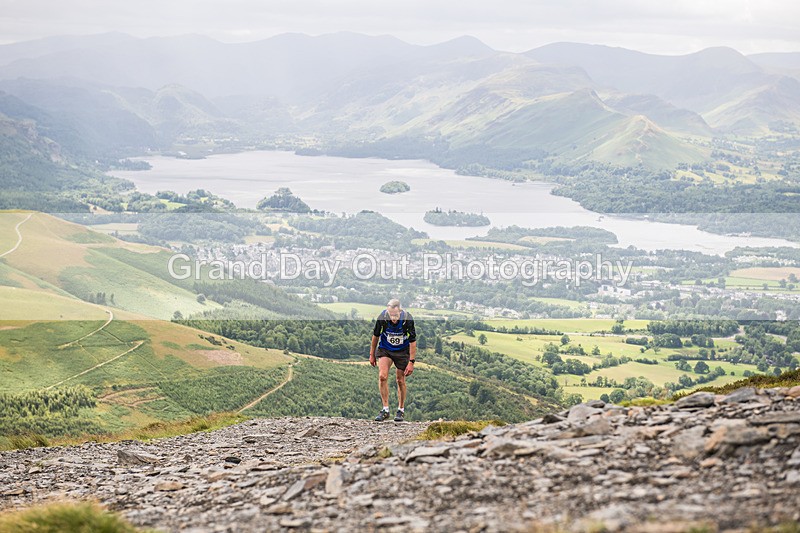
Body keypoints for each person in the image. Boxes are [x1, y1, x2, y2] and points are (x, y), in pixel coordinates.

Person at [369, 298, 416, 422]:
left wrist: (411, 362)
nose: (393, 318)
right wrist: (372, 354)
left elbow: (412, 341)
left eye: (395, 315)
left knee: (400, 380)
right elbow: (375, 336)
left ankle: (401, 410)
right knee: (382, 376)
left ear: (399, 310)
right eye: (391, 314)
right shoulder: (383, 317)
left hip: (402, 351)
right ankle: (385, 409)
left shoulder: (407, 319)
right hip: (386, 349)